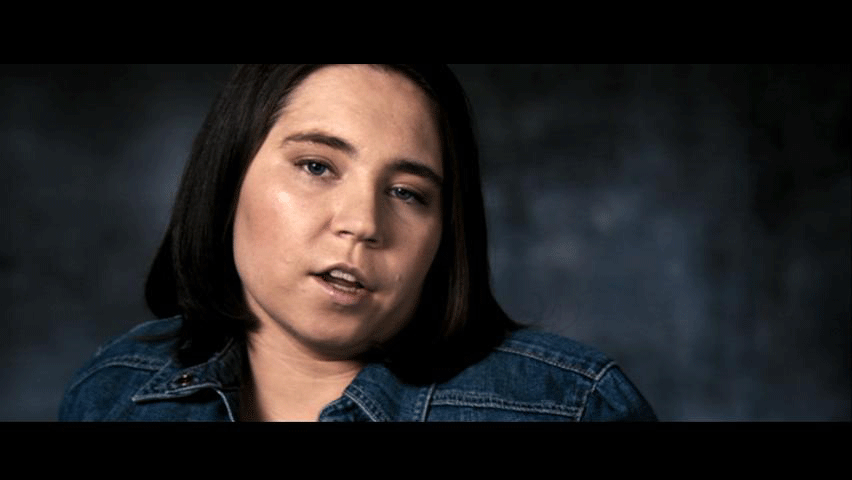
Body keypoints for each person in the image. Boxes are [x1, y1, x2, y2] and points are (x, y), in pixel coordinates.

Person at [59, 64, 657, 421]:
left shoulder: (572, 405)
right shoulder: (113, 389)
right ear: (229, 177)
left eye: (407, 193)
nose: (363, 223)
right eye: (317, 166)